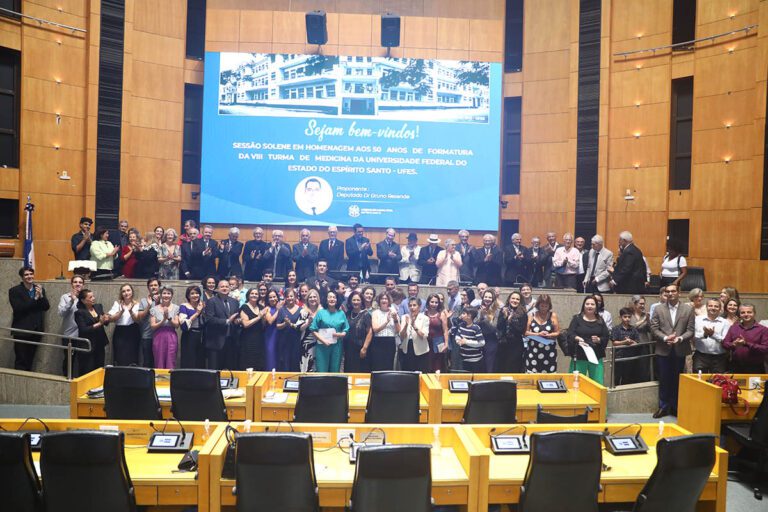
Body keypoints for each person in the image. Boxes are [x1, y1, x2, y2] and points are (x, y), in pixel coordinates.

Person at [650, 284, 695, 418]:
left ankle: (676, 407)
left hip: (680, 349)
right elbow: (653, 328)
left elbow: (691, 330)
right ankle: (663, 407)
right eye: (667, 291)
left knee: (677, 380)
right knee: (664, 379)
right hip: (663, 349)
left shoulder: (688, 309)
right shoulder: (658, 309)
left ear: (678, 293)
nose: (670, 294)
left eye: (673, 291)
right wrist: (664, 338)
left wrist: (680, 338)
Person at [9, 267, 50, 371]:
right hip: (22, 330)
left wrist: (41, 296)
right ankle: (19, 382)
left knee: (30, 359)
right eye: (26, 275)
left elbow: (46, 307)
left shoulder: (39, 289)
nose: (29, 276)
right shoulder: (14, 291)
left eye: (31, 274)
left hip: (36, 330)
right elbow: (19, 308)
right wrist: (35, 299)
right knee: (21, 359)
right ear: (22, 277)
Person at [568, 296, 610, 384]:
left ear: (596, 307)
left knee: (597, 383)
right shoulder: (577, 319)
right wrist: (577, 338)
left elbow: (606, 336)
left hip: (596, 356)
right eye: (587, 304)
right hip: (579, 355)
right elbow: (570, 334)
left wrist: (599, 340)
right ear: (583, 305)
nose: (589, 306)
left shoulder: (600, 320)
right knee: (576, 382)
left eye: (592, 304)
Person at [204, 279, 242, 370]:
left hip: (231, 341)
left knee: (231, 369)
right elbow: (209, 319)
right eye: (222, 286)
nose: (224, 288)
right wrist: (227, 321)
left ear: (230, 288)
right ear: (217, 289)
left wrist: (237, 321)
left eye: (226, 286)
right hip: (216, 341)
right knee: (215, 370)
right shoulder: (211, 301)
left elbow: (235, 318)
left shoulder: (235, 302)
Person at [309, 291, 349, 372]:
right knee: (322, 371)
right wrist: (323, 341)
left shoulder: (341, 313)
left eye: (334, 297)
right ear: (326, 300)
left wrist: (341, 334)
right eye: (329, 297)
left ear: (337, 300)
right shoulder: (321, 313)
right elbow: (313, 329)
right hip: (322, 346)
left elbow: (346, 329)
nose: (332, 299)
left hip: (337, 346)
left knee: (334, 371)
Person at [74, 288, 110, 376]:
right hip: (87, 345)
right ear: (83, 300)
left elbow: (106, 323)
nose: (93, 298)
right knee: (88, 369)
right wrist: (99, 323)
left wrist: (106, 319)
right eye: (90, 297)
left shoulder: (98, 307)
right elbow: (84, 330)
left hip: (100, 343)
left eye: (93, 296)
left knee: (99, 368)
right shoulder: (79, 313)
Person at [723, 304, 768, 373]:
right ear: (739, 315)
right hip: (736, 366)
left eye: (749, 312)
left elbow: (765, 348)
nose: (746, 314)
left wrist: (746, 343)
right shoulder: (734, 328)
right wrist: (733, 344)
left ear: (754, 313)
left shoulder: (763, 330)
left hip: (756, 367)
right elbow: (725, 344)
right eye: (743, 312)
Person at [524, 294, 560, 373]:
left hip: (549, 351)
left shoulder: (552, 315)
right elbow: (525, 332)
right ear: (538, 305)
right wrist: (538, 334)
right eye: (542, 306)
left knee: (548, 375)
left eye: (546, 306)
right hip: (533, 350)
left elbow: (557, 332)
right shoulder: (531, 315)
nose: (543, 308)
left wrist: (549, 335)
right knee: (532, 374)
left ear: (549, 306)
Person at [693, 298, 730, 374]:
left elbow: (725, 340)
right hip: (701, 356)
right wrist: (704, 334)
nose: (713, 308)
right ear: (706, 307)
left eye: (716, 306)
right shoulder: (698, 320)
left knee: (718, 382)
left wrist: (713, 335)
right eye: (710, 306)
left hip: (719, 358)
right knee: (699, 381)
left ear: (720, 308)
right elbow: (693, 335)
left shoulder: (725, 322)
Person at [108, 284, 141, 366]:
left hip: (133, 331)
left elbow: (137, 320)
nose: (126, 293)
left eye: (128, 290)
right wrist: (121, 311)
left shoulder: (137, 304)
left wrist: (130, 311)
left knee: (132, 356)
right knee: (119, 356)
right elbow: (111, 319)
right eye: (124, 291)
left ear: (132, 292)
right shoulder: (117, 304)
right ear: (121, 293)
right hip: (120, 332)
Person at [58, 275, 84, 375]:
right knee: (69, 361)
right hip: (69, 336)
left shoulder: (86, 297)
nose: (78, 284)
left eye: (80, 282)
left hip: (83, 335)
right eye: (75, 282)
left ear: (83, 284)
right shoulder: (65, 297)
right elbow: (61, 313)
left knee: (83, 361)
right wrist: (71, 300)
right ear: (71, 284)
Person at [150, 287, 180, 369]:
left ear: (172, 295)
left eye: (168, 293)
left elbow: (177, 325)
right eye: (164, 293)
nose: (166, 295)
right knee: (158, 360)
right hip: (158, 336)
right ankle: (159, 381)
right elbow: (152, 326)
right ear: (160, 295)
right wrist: (163, 319)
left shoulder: (176, 308)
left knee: (171, 359)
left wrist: (169, 318)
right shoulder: (154, 309)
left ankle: (170, 381)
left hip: (171, 336)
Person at [497, 291, 527, 373]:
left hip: (516, 345)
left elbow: (521, 330)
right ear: (509, 299)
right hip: (503, 344)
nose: (515, 300)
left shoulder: (523, 313)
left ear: (520, 301)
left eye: (517, 299)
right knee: (502, 367)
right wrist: (505, 317)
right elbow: (499, 326)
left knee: (513, 368)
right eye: (513, 298)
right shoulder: (504, 310)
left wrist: (511, 320)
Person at [610, 307, 642, 385]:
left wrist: (631, 341)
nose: (627, 319)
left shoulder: (633, 329)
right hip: (619, 357)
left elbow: (637, 342)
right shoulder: (616, 329)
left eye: (629, 317)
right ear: (620, 317)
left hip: (630, 357)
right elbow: (614, 342)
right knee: (617, 378)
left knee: (628, 379)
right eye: (625, 317)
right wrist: (624, 342)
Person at [370, 292, 401, 371]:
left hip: (390, 341)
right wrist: (386, 322)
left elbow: (398, 331)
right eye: (382, 299)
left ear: (389, 301)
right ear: (379, 301)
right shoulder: (375, 313)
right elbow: (375, 329)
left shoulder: (394, 313)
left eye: (386, 299)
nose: (384, 300)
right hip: (378, 341)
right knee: (377, 365)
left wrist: (395, 319)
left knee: (389, 365)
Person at [135, 278, 161, 368]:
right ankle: (147, 381)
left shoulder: (165, 298)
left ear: (159, 287)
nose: (153, 287)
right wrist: (149, 306)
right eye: (151, 285)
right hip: (147, 335)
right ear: (148, 287)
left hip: (160, 335)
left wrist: (158, 302)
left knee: (159, 361)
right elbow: (140, 317)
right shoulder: (143, 301)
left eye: (155, 285)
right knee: (147, 361)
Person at [398, 297, 429, 372]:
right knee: (407, 372)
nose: (412, 307)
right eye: (410, 305)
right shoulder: (404, 317)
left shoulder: (425, 318)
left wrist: (414, 326)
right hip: (407, 347)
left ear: (419, 306)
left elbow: (424, 336)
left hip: (420, 349)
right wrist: (406, 325)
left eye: (414, 305)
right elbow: (402, 336)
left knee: (420, 373)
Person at [345, 290, 373, 372]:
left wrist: (364, 348)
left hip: (361, 349)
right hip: (349, 349)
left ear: (362, 302)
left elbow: (370, 332)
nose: (356, 302)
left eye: (358, 300)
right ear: (350, 301)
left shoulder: (366, 314)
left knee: (360, 373)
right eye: (354, 300)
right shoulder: (347, 313)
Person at [276, 289, 304, 371]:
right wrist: (285, 324)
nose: (289, 298)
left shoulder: (301, 310)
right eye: (287, 296)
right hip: (284, 341)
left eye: (291, 296)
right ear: (285, 298)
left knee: (295, 363)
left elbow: (302, 326)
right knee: (285, 364)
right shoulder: (282, 310)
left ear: (295, 297)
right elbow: (277, 326)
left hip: (297, 341)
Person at [179, 285, 205, 368]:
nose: (195, 295)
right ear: (188, 296)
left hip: (201, 335)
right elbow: (183, 326)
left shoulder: (203, 305)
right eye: (192, 293)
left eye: (197, 293)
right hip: (189, 335)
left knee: (200, 360)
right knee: (189, 360)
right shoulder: (184, 306)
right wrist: (197, 312)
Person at [238, 288, 264, 371]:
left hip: (259, 339)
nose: (254, 295)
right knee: (248, 363)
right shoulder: (244, 307)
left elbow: (263, 324)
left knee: (258, 363)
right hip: (248, 339)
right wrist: (259, 317)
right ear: (248, 295)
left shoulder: (261, 307)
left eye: (256, 294)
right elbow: (245, 324)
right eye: (252, 293)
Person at [476, 289, 501, 373]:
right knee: (480, 364)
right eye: (486, 297)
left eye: (490, 297)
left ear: (493, 298)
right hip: (479, 339)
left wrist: (484, 318)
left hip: (491, 340)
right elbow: (475, 324)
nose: (487, 299)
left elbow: (494, 328)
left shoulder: (497, 311)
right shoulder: (478, 309)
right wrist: (481, 315)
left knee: (489, 364)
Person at [423, 293, 449, 372]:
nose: (434, 304)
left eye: (436, 302)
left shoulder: (442, 314)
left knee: (438, 366)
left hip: (439, 343)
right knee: (428, 366)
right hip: (427, 343)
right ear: (428, 302)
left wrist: (446, 344)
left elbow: (445, 330)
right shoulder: (424, 314)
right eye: (432, 302)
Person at [455, 307, 485, 373]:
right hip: (464, 357)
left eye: (463, 313)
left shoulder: (476, 328)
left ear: (469, 316)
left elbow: (482, 343)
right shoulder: (461, 325)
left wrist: (466, 342)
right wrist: (459, 341)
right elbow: (457, 335)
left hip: (475, 359)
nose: (461, 315)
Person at [629, 295, 651, 382]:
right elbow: (631, 328)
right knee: (632, 367)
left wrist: (648, 320)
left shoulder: (645, 315)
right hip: (632, 344)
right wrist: (643, 320)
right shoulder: (629, 315)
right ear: (635, 304)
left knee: (644, 367)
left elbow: (650, 330)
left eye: (643, 304)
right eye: (640, 303)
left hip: (644, 343)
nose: (642, 306)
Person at [300, 289, 322, 372]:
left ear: (318, 298)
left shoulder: (322, 312)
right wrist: (308, 323)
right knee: (306, 368)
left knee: (318, 368)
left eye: (314, 297)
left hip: (320, 344)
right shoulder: (303, 312)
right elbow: (300, 328)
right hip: (306, 345)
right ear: (307, 299)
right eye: (310, 297)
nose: (313, 299)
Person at [260, 289, 281, 371]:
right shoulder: (267, 308)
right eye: (270, 297)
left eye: (274, 297)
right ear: (267, 299)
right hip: (270, 335)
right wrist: (278, 310)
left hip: (280, 334)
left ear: (277, 297)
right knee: (271, 356)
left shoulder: (281, 307)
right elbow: (270, 321)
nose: (273, 299)